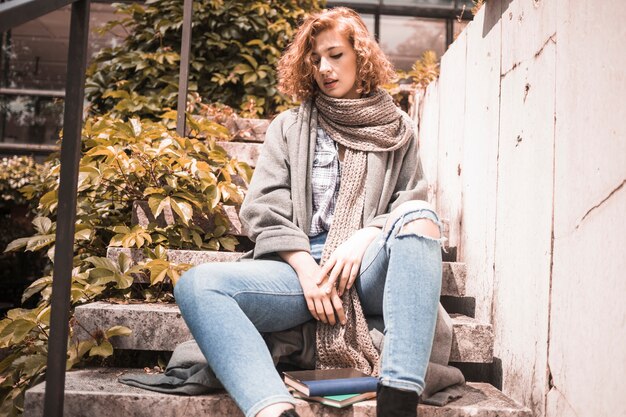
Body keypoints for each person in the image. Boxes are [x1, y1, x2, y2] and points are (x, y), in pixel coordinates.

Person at [174, 7, 444, 417]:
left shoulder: (398, 129)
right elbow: (261, 208)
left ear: (360, 56)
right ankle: (272, 409)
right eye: (315, 59)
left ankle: (399, 397)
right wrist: (306, 270)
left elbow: (409, 201)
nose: (324, 68)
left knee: (422, 214)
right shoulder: (290, 126)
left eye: (335, 55)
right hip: (296, 270)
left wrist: (364, 236)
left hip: (366, 265)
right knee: (197, 285)